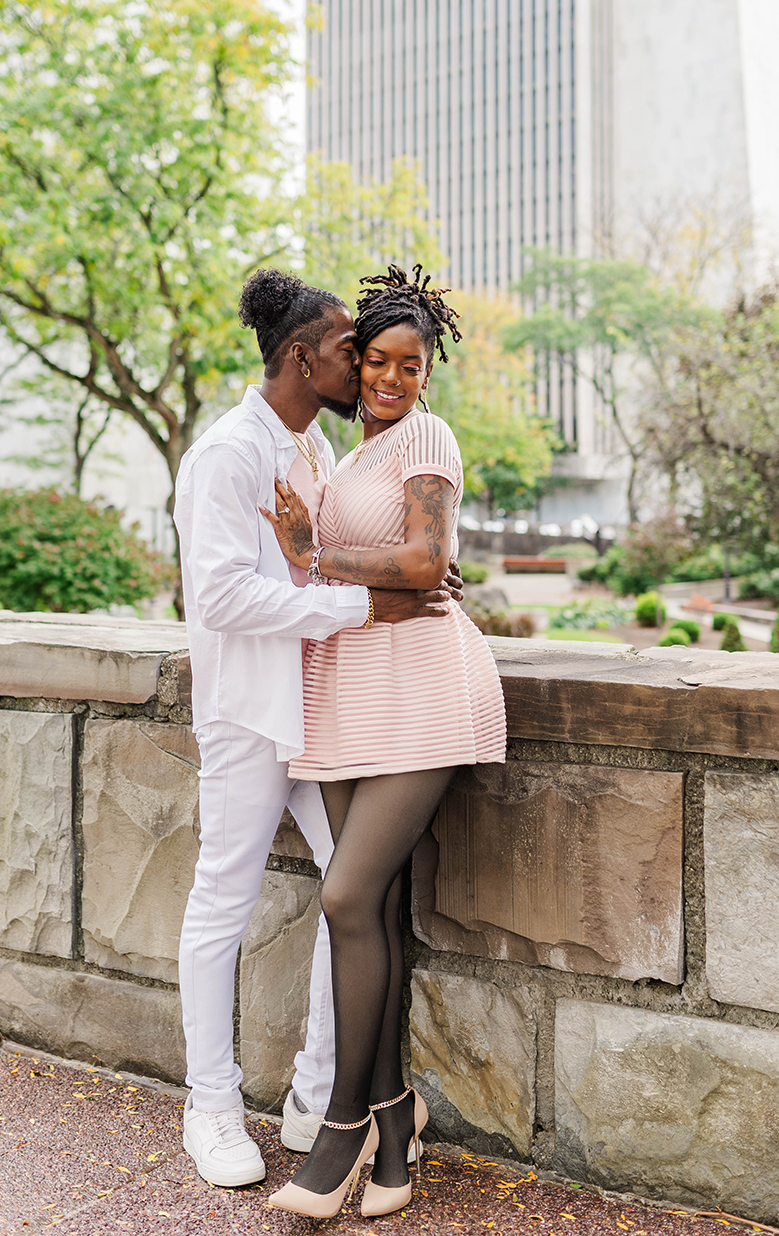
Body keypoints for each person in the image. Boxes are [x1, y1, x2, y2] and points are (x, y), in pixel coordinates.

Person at [172, 271, 454, 1189]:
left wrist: (411, 581)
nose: (361, 362)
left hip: (327, 713)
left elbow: (353, 558)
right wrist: (363, 605)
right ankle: (209, 1107)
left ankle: (318, 1093)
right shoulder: (229, 454)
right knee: (224, 900)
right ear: (304, 356)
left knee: (354, 899)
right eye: (347, 349)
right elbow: (220, 595)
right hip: (253, 715)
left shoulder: (313, 451)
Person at [258, 265, 506, 1220]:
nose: (394, 380)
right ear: (352, 363)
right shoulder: (334, 456)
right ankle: (399, 1125)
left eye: (413, 366)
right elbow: (383, 574)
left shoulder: (426, 439)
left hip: (423, 689)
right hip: (347, 691)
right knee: (382, 915)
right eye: (377, 362)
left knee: (346, 894)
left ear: (428, 374)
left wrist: (323, 556)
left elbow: (425, 563)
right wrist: (361, 570)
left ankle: (341, 1128)